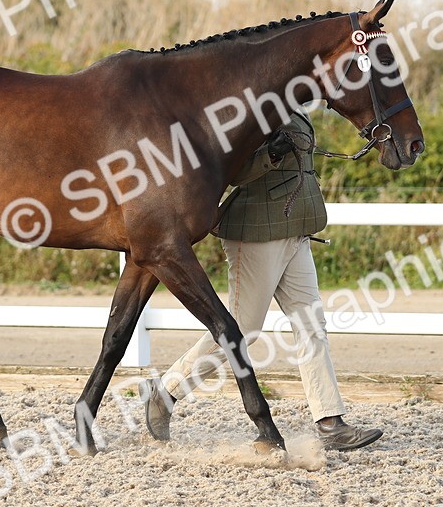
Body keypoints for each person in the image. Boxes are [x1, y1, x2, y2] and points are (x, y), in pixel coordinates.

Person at [140, 109, 383, 451]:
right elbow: (231, 171)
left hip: (294, 228)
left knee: (311, 323)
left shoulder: (294, 105)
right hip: (256, 232)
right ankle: (166, 391)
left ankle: (330, 423)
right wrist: (270, 154)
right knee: (242, 330)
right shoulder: (250, 108)